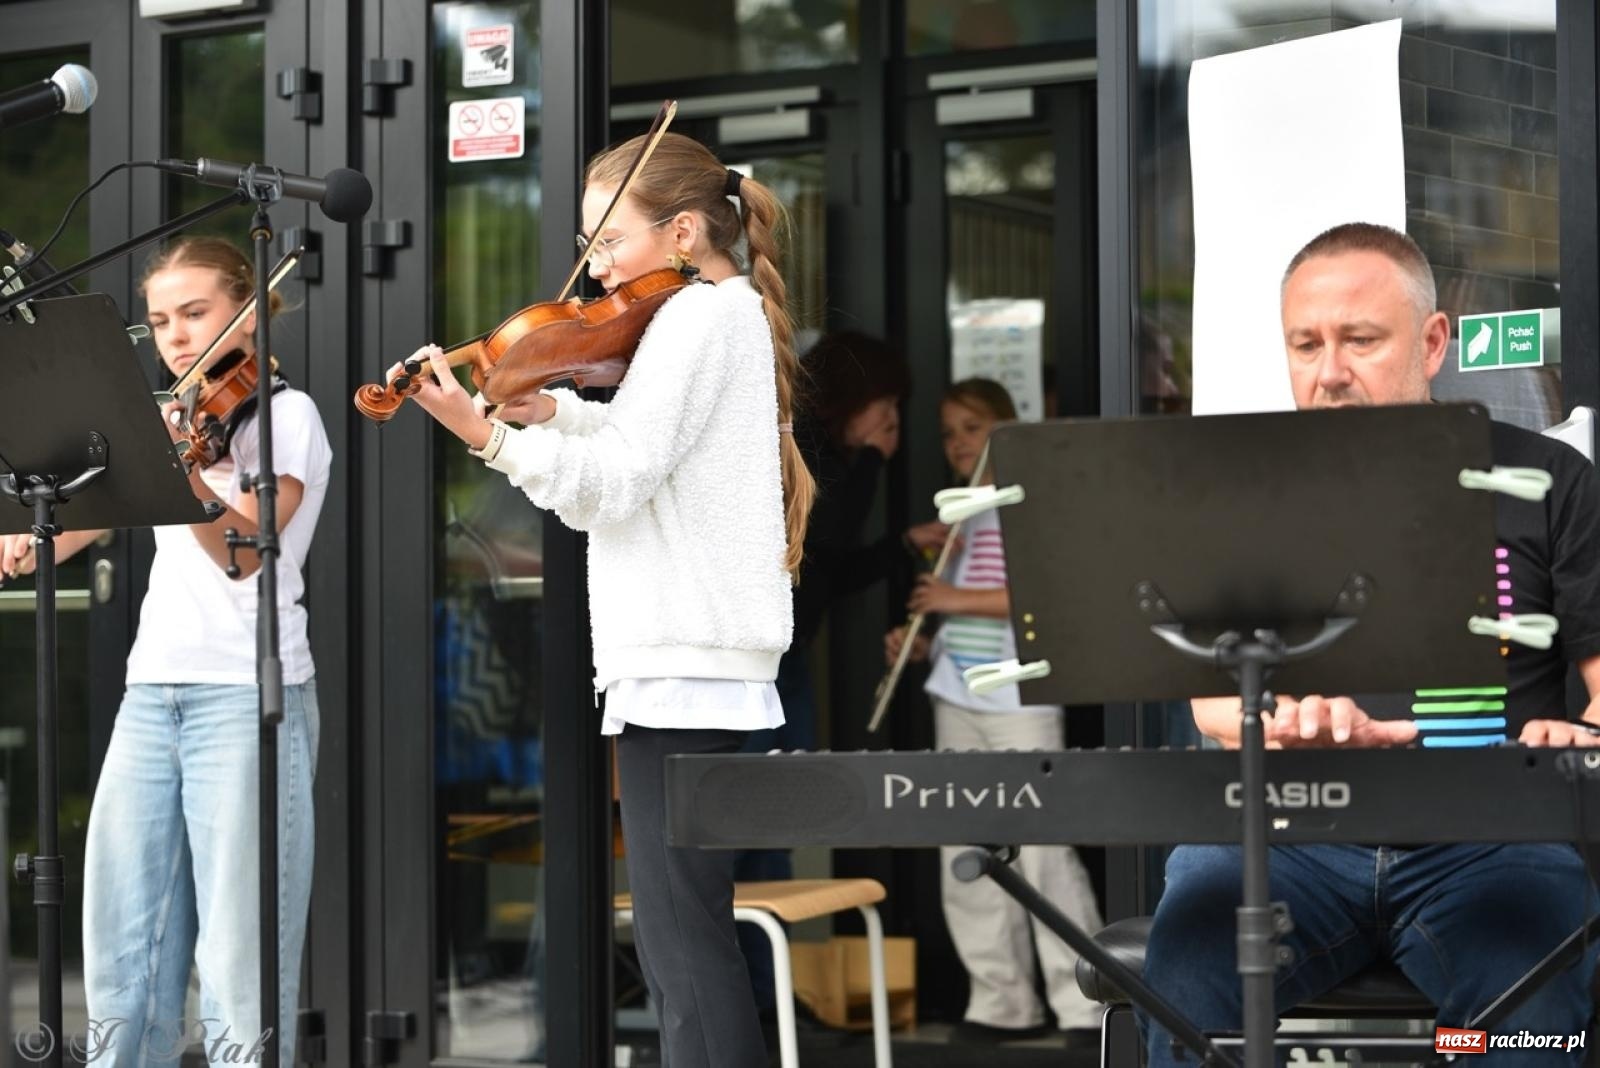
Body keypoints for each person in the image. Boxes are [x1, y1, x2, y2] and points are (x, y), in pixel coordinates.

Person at [395, 132, 813, 1068]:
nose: (594, 268)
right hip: (687, 657)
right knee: (683, 941)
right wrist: (559, 412)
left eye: (608, 242)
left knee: (684, 946)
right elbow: (650, 453)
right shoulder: (710, 312)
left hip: (684, 660)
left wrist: (485, 435)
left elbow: (616, 486)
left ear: (683, 231)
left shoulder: (705, 318)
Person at [1140, 222, 1600, 1067]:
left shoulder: (1549, 479)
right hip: (1287, 833)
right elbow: (1211, 702)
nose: (1328, 372)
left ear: (1432, 343)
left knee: (1529, 1011)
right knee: (1187, 972)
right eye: (1305, 344)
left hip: (1492, 833)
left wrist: (1586, 734)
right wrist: (1283, 727)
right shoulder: (1240, 490)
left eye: (1359, 340)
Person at [0, 236, 332, 1063]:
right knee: (123, 938)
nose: (177, 336)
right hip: (152, 693)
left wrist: (184, 478)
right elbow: (96, 514)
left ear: (249, 311)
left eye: (195, 313)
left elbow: (247, 552)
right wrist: (26, 543)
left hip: (246, 696)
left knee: (237, 954)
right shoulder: (169, 421)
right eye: (160, 321)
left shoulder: (285, 416)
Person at [885, 377, 1105, 1046]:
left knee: (1042, 851)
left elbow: (1041, 599)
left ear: (1005, 431)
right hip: (959, 692)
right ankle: (1001, 1001)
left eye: (972, 429)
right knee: (967, 848)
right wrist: (922, 639)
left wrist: (948, 600)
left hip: (1020, 698)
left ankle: (1084, 1007)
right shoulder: (961, 511)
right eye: (950, 432)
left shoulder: (1026, 501)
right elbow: (959, 604)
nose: (958, 443)